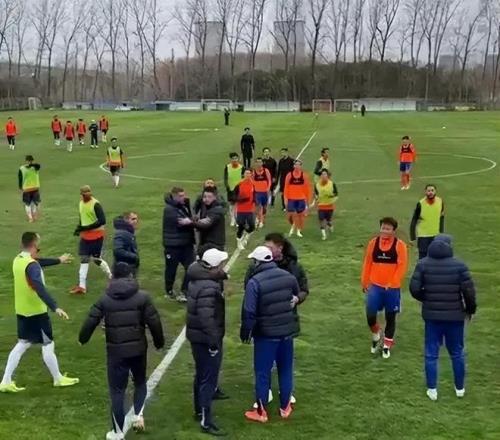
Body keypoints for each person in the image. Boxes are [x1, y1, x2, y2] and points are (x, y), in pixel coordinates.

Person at [79, 262, 165, 440]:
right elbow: (154, 321)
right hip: (138, 350)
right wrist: (159, 342)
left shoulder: (105, 299)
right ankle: (137, 415)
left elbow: (91, 319)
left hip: (116, 353)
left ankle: (117, 433)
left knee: (117, 391)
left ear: (113, 276)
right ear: (130, 276)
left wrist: (83, 339)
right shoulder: (142, 297)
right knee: (140, 382)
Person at [0, 232, 78, 393]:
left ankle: (5, 381)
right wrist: (55, 307)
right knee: (48, 343)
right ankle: (58, 378)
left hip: (22, 310)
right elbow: (39, 287)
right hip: (36, 312)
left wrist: (58, 260)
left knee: (23, 343)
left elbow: (37, 262)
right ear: (34, 245)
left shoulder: (18, 260)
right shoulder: (32, 265)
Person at [409, 234, 476, 402]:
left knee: (431, 353)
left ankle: (432, 390)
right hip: (455, 316)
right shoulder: (459, 265)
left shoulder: (423, 264)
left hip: (432, 317)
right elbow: (469, 292)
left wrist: (426, 298)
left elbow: (414, 288)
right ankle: (459, 388)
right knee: (457, 352)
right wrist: (470, 310)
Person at [241, 246, 300, 423]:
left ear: (257, 262)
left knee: (262, 372)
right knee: (286, 369)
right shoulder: (288, 276)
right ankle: (285, 407)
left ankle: (261, 412)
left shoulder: (254, 282)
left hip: (266, 335)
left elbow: (249, 311)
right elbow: (295, 296)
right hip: (287, 332)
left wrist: (246, 331)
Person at [186, 248, 229, 436]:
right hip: (206, 339)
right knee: (208, 379)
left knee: (201, 374)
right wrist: (213, 342)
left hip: (196, 336)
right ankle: (206, 421)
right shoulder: (209, 288)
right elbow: (206, 318)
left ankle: (198, 410)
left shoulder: (197, 278)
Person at [361, 217, 408, 359]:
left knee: (390, 317)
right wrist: (364, 281)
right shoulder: (373, 243)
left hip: (392, 289)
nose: (385, 231)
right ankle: (376, 334)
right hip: (375, 286)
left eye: (388, 229)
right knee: (370, 315)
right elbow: (368, 263)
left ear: (393, 231)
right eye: (383, 228)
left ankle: (386, 346)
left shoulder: (400, 245)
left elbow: (402, 266)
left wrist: (392, 283)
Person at [70, 185, 112, 294]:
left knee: (96, 259)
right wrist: (78, 229)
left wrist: (87, 227)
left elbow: (102, 220)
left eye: (88, 194)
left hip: (96, 236)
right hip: (85, 236)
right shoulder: (80, 204)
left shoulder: (96, 204)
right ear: (81, 195)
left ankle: (111, 275)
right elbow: (82, 218)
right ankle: (82, 286)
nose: (86, 196)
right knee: (84, 258)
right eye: (84, 194)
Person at [163, 187, 196, 302]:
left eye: (184, 195)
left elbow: (191, 217)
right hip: (173, 245)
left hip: (186, 244)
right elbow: (182, 222)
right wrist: (193, 220)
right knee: (171, 269)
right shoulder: (169, 209)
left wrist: (191, 216)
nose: (184, 197)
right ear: (174, 196)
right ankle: (169, 291)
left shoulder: (183, 206)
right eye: (181, 196)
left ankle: (184, 291)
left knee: (191, 267)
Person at [410, 184, 444, 259]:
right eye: (428, 191)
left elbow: (441, 217)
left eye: (432, 190)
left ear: (435, 191)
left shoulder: (440, 201)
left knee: (436, 257)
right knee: (423, 258)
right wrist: (412, 237)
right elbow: (414, 220)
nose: (430, 192)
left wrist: (441, 233)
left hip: (436, 235)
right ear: (425, 192)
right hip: (423, 236)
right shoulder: (420, 204)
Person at [284, 160, 313, 238]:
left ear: (300, 166)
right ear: (293, 166)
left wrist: (307, 200)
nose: (297, 166)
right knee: (291, 215)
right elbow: (286, 188)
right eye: (296, 165)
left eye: (298, 165)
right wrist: (285, 199)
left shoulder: (304, 176)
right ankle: (294, 226)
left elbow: (307, 188)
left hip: (301, 199)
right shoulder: (289, 175)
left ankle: (298, 230)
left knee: (300, 215)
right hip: (291, 198)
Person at [235, 169, 256, 250]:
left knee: (252, 226)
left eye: (249, 173)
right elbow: (234, 196)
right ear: (243, 174)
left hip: (250, 209)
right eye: (246, 173)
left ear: (251, 175)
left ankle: (246, 234)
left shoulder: (253, 184)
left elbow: (254, 194)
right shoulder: (239, 184)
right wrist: (241, 199)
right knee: (241, 226)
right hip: (241, 209)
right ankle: (239, 241)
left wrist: (254, 200)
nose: (248, 175)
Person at [314, 169, 338, 240]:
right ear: (320, 176)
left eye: (325, 174)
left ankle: (330, 225)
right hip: (321, 206)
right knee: (321, 220)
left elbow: (336, 194)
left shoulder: (332, 184)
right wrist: (316, 198)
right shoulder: (317, 185)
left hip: (329, 206)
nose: (323, 175)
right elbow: (316, 194)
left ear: (327, 175)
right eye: (322, 174)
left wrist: (331, 196)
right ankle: (324, 235)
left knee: (328, 220)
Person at [113, 212, 140, 277]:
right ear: (126, 220)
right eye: (133, 219)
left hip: (127, 268)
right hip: (124, 269)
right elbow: (118, 251)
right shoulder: (121, 233)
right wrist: (134, 256)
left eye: (136, 219)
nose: (136, 221)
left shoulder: (127, 232)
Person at [18, 155, 42, 223]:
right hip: (33, 188)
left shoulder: (23, 168)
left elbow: (20, 179)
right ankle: (32, 217)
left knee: (29, 204)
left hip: (28, 188)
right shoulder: (34, 167)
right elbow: (20, 178)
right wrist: (20, 187)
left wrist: (20, 188)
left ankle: (31, 217)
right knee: (32, 203)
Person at [223, 152, 244, 227]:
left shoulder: (242, 167)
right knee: (231, 204)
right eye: (233, 159)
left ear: (238, 159)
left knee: (238, 204)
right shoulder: (227, 167)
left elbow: (243, 178)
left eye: (236, 158)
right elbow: (225, 178)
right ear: (230, 159)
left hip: (239, 188)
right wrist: (227, 186)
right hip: (231, 188)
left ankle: (238, 219)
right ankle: (232, 219)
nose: (234, 160)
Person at [252, 157, 272, 228]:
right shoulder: (254, 172)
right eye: (257, 162)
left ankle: (260, 218)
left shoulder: (266, 171)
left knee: (264, 207)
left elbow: (269, 180)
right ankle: (260, 220)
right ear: (256, 163)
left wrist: (268, 188)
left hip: (265, 192)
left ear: (262, 163)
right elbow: (252, 181)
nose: (259, 163)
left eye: (260, 162)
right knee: (259, 206)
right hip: (257, 192)